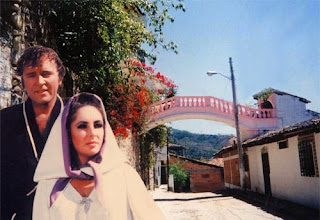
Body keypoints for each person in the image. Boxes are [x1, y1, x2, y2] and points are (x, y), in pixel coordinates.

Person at [33, 92, 165, 220]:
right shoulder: (48, 185)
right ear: (67, 133)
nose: (92, 133)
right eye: (82, 126)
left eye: (98, 125)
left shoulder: (125, 176)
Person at [0, 46, 66, 219]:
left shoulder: (77, 116)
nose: (39, 81)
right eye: (31, 75)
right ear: (22, 83)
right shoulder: (5, 120)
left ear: (59, 78)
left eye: (46, 74)